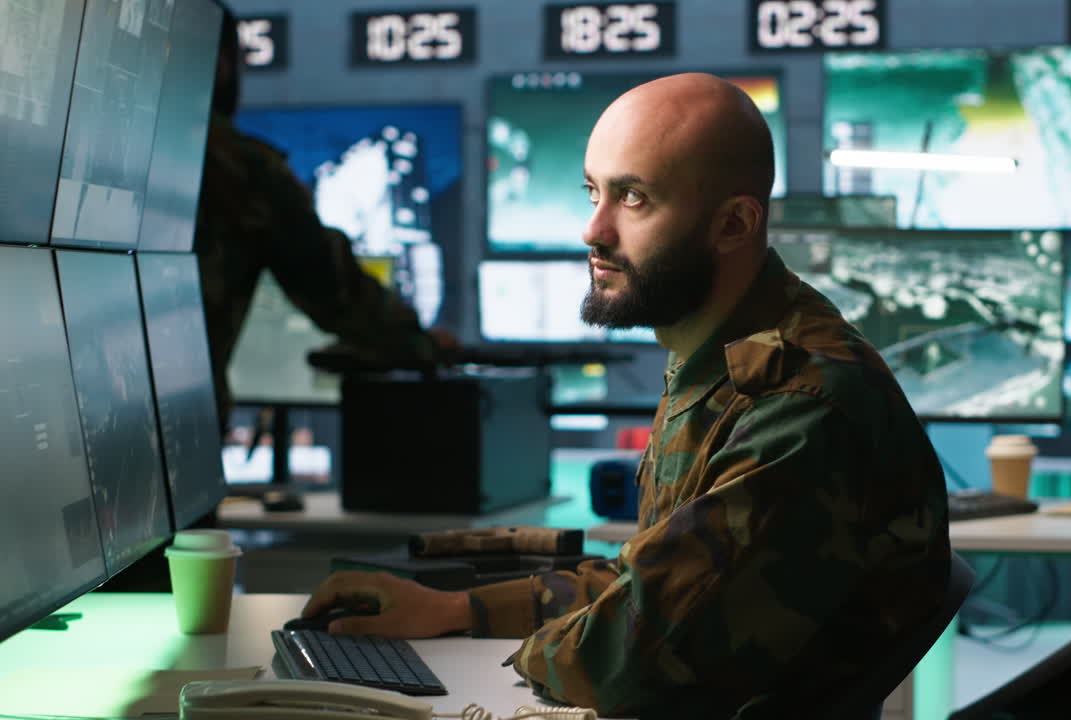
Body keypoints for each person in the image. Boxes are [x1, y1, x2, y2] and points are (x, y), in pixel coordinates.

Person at [302, 73, 951, 718]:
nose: (593, 230)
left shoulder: (799, 408)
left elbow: (631, 666)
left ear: (733, 223)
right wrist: (455, 610)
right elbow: (653, 584)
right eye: (593, 192)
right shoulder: (718, 357)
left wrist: (526, 647)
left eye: (633, 198)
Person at [197, 6, 456, 429]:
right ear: (222, 65)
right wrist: (421, 344)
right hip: (175, 423)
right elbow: (333, 288)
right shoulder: (239, 168)